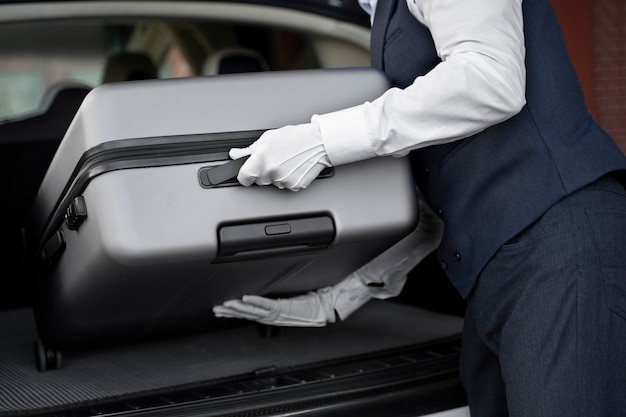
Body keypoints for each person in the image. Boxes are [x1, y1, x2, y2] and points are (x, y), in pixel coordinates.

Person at [213, 0, 626, 415]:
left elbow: (489, 78)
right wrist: (341, 296)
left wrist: (323, 140)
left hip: (558, 243)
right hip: (497, 267)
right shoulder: (377, 14)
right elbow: (435, 206)